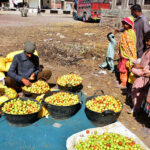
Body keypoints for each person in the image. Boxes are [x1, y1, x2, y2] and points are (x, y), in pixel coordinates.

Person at [131, 31, 150, 116]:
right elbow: (143, 62)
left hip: (144, 77)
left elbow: (146, 68)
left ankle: (136, 108)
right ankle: (137, 107)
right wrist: (137, 63)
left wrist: (137, 69)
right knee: (138, 92)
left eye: (148, 40)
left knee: (138, 92)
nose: (146, 42)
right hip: (142, 75)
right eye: (145, 40)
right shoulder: (147, 50)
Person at [117, 17, 137, 88]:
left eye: (126, 24)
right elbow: (122, 42)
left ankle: (123, 83)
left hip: (128, 55)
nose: (124, 25)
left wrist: (132, 55)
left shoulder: (130, 32)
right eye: (124, 24)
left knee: (124, 70)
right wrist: (119, 50)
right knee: (125, 69)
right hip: (124, 54)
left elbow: (131, 44)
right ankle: (125, 82)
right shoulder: (126, 31)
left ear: (130, 24)